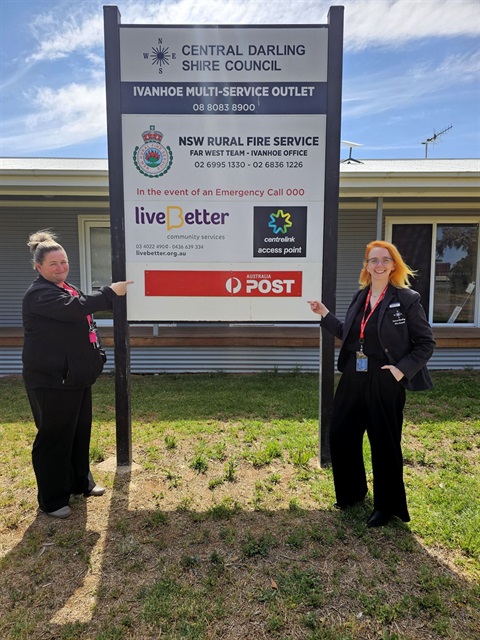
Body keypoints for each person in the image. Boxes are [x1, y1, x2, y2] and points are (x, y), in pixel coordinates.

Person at [308, 240, 435, 527]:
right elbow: (349, 334)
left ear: (393, 265)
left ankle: (386, 507)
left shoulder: (407, 298)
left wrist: (401, 371)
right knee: (341, 433)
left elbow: (426, 343)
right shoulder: (359, 297)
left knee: (384, 442)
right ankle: (352, 492)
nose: (378, 265)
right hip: (354, 373)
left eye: (385, 260)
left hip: (386, 378)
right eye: (373, 260)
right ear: (366, 266)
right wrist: (325, 315)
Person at [22, 230, 133, 519]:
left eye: (64, 262)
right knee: (54, 439)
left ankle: (80, 483)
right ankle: (52, 499)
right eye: (53, 264)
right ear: (39, 267)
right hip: (51, 381)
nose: (60, 268)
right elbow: (76, 309)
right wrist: (110, 292)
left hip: (75, 378)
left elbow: (80, 315)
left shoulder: (65, 288)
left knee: (79, 433)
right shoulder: (39, 294)